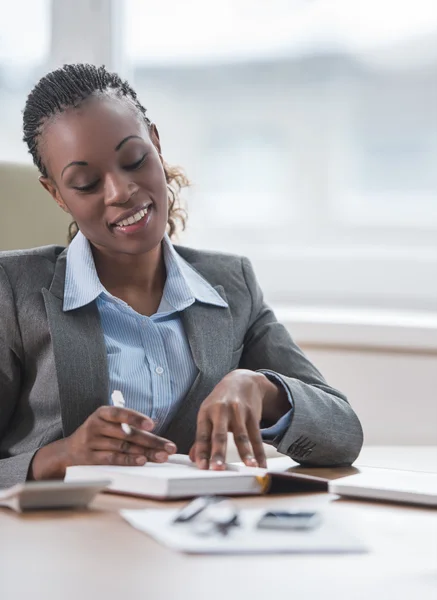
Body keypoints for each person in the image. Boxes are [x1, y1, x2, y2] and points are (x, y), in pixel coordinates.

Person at [0, 64, 363, 489]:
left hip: (186, 541)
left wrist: (263, 389)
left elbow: (343, 434)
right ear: (56, 195)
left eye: (133, 159)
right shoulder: (14, 290)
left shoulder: (231, 286)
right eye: (86, 182)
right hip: (57, 544)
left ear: (155, 143)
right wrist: (59, 457)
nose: (120, 191)